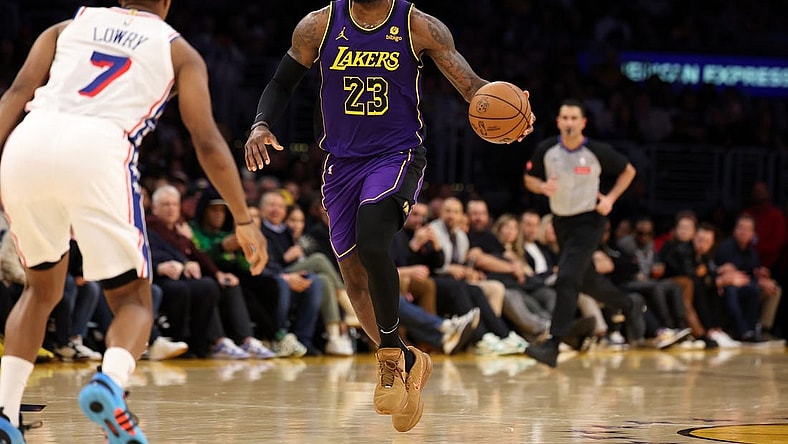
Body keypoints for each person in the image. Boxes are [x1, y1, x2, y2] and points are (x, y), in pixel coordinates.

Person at [243, 0, 534, 433]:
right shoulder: (318, 25)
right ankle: (410, 360)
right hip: (340, 165)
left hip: (396, 154)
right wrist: (261, 124)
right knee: (354, 279)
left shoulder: (417, 25)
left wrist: (514, 113)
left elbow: (474, 86)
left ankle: (390, 354)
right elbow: (281, 83)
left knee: (374, 238)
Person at [0, 1, 268, 442]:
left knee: (39, 289)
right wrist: (242, 217)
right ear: (166, 3)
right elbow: (206, 140)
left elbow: (16, 93)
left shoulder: (68, 26)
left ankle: (6, 415)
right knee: (133, 301)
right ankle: (110, 384)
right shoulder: (179, 51)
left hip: (28, 141)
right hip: (99, 150)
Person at [523, 99, 637, 367]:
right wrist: (541, 187)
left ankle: (553, 344)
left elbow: (628, 171)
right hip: (562, 223)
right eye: (565, 118)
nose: (570, 122)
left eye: (575, 118)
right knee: (586, 281)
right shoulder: (546, 149)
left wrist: (610, 199)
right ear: (558, 122)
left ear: (583, 122)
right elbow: (529, 179)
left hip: (589, 222)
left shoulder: (597, 151)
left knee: (566, 278)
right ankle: (629, 304)